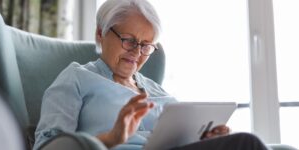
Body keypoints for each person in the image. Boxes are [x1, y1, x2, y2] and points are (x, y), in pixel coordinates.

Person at [34, 0, 268, 149]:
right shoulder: (76, 78)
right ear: (100, 33)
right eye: (129, 40)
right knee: (247, 144)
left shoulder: (157, 90)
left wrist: (206, 139)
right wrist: (110, 139)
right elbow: (47, 146)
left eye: (146, 45)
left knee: (240, 143)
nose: (137, 52)